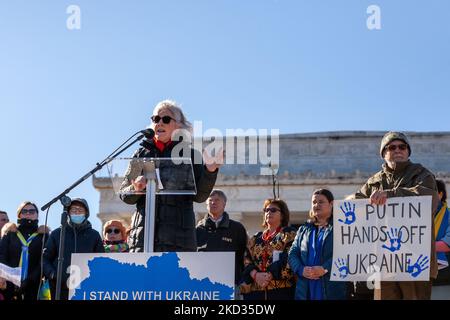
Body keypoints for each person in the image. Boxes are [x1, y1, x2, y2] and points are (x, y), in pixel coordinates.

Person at [120, 100, 222, 252]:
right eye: (156, 119)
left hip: (179, 243)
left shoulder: (191, 155)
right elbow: (124, 194)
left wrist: (210, 171)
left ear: (179, 126)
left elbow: (200, 196)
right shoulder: (140, 154)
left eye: (166, 119)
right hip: (142, 241)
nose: (160, 123)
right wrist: (135, 188)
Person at [353, 131, 439, 300]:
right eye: (392, 147)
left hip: (414, 260)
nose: (398, 150)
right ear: (384, 154)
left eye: (402, 147)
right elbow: (356, 208)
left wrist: (391, 195)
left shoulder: (421, 174)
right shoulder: (373, 182)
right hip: (383, 262)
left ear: (408, 151)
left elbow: (429, 199)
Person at [288, 189, 348, 300]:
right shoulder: (304, 229)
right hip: (305, 290)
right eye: (314, 202)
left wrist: (324, 268)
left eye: (321, 202)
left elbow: (346, 253)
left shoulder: (341, 227)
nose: (317, 205)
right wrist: (301, 269)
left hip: (331, 288)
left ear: (331, 204)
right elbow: (293, 253)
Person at [42, 198, 104, 300]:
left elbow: (101, 260)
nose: (77, 213)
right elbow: (45, 258)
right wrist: (53, 274)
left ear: (86, 213)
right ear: (68, 213)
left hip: (85, 289)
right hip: (59, 289)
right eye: (74, 210)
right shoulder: (57, 234)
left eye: (80, 210)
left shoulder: (94, 235)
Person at [239, 199, 297, 300]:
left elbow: (290, 258)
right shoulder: (255, 238)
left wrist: (268, 275)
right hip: (255, 293)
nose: (269, 212)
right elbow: (246, 260)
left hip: (282, 292)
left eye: (273, 210)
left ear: (282, 215)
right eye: (266, 210)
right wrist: (255, 275)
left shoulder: (289, 235)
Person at [196, 190, 248, 290]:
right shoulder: (198, 229)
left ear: (224, 204)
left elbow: (244, 255)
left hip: (230, 283)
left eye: (217, 200)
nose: (213, 203)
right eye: (210, 200)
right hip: (204, 283)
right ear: (206, 205)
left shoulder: (237, 228)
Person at [0, 201, 49, 300]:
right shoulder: (10, 233)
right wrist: (9, 277)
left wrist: (30, 280)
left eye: (32, 211)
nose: (28, 213)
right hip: (9, 284)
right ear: (19, 215)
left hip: (34, 285)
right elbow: (2, 255)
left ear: (37, 215)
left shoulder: (43, 236)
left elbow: (44, 260)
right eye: (24, 211)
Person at [431, 180, 450, 298]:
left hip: (443, 274)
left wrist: (421, 245)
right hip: (419, 273)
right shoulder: (417, 213)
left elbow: (446, 245)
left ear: (440, 194)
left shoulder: (448, 216)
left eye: (430, 192)